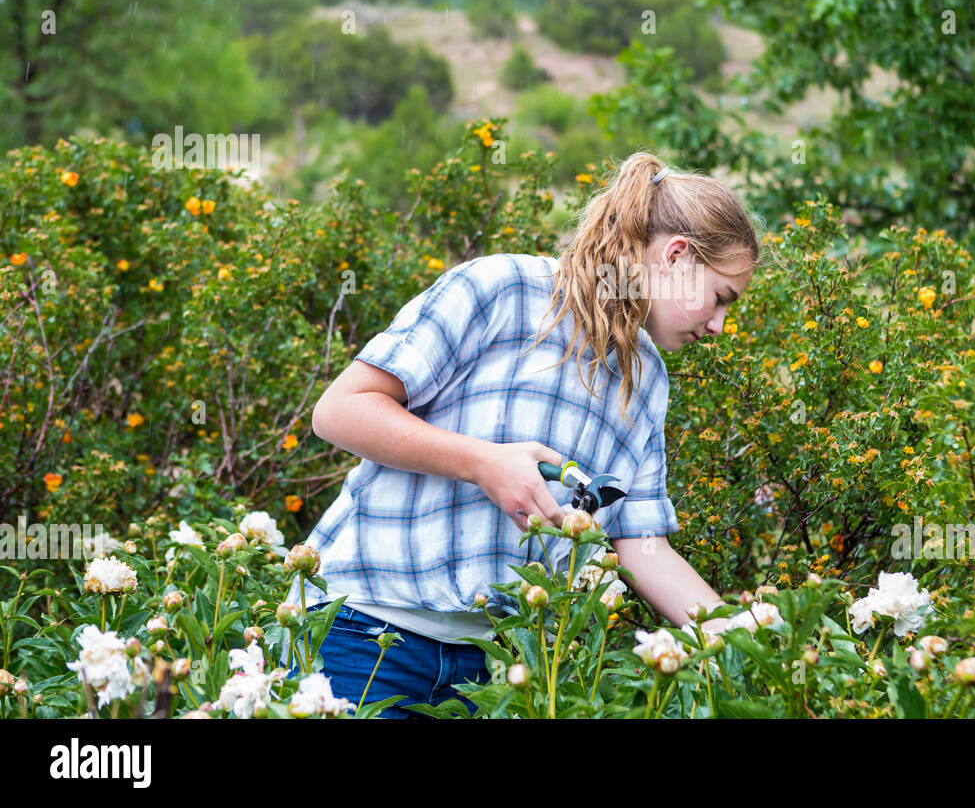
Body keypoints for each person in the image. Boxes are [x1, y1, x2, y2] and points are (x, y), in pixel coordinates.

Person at [282, 151, 762, 717]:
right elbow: (339, 411)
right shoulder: (503, 289)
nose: (718, 325)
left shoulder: (647, 379)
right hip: (363, 633)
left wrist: (749, 643)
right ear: (677, 256)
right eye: (720, 298)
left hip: (491, 670)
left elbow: (641, 545)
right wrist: (483, 462)